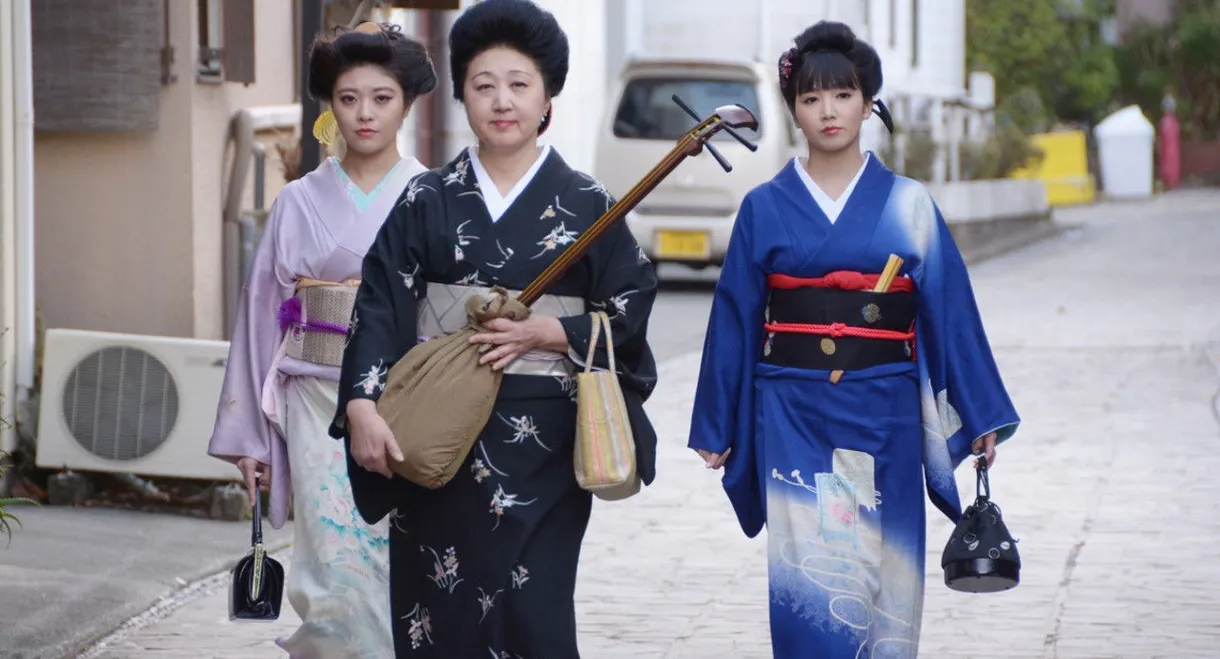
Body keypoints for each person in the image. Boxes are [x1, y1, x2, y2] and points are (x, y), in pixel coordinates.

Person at [328, 1, 660, 656]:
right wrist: (361, 402)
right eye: (483, 85)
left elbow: (630, 300)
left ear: (547, 100)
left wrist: (553, 334)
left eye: (519, 84)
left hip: (545, 443)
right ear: (462, 97)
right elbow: (381, 301)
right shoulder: (428, 198)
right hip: (434, 436)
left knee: (534, 612)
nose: (501, 100)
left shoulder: (588, 204)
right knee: (438, 610)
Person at [687, 21, 1020, 658]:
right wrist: (716, 423)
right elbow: (734, 315)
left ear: (868, 103)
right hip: (794, 410)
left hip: (883, 409)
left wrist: (980, 416)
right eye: (810, 99)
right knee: (811, 568)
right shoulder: (764, 206)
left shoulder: (909, 203)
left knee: (886, 568)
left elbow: (951, 311)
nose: (828, 111)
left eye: (842, 95)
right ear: (793, 112)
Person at [207, 21, 437, 659]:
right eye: (348, 98)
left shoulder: (432, 197)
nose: (364, 114)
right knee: (332, 567)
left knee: (399, 561)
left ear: (407, 102)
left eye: (382, 98)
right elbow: (258, 320)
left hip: (405, 406)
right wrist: (250, 436)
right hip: (313, 403)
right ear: (328, 105)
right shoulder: (297, 202)